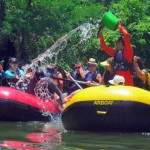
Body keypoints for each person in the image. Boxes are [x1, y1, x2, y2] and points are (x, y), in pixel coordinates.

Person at [98, 19, 133, 86]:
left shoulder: (128, 51)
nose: (116, 44)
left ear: (120, 43)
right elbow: (104, 46)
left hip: (127, 81)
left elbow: (126, 35)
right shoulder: (116, 53)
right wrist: (100, 33)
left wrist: (120, 26)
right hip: (116, 80)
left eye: (117, 43)